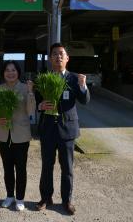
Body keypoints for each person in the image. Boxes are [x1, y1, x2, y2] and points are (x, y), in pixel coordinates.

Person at [35, 43, 90, 215]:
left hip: (67, 129)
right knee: (47, 166)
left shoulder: (74, 79)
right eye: (54, 54)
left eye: (61, 54)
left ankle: (67, 201)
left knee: (67, 167)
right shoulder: (43, 78)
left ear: (67, 58)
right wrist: (40, 105)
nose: (58, 57)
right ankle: (46, 198)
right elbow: (36, 102)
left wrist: (83, 86)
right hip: (48, 129)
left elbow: (85, 100)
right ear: (50, 58)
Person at [0, 61, 36, 211]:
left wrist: (30, 92)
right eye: (7, 70)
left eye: (13, 70)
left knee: (21, 167)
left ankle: (20, 198)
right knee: (7, 167)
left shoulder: (25, 88)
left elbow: (31, 111)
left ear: (18, 72)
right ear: (3, 73)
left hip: (21, 134)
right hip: (4, 133)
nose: (10, 73)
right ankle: (9, 196)